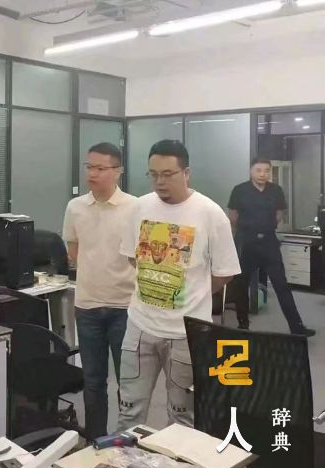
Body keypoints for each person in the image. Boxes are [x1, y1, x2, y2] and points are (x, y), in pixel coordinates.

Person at [117, 140, 241, 430]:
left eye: (168, 174)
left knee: (182, 418)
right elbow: (134, 258)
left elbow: (225, 273)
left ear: (186, 173)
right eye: (153, 174)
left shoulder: (210, 214)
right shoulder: (139, 207)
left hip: (186, 333)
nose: (160, 182)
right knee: (129, 412)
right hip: (139, 327)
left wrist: (190, 294)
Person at [62, 142, 136, 440]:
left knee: (128, 383)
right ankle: (95, 439)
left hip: (125, 307)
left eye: (100, 168)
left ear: (118, 171)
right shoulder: (75, 207)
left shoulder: (135, 208)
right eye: (89, 167)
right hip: (87, 305)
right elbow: (73, 250)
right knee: (93, 381)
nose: (92, 173)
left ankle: (126, 441)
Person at [228, 158, 315, 337]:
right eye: (259, 170)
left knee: (281, 285)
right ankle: (243, 325)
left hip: (269, 243)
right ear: (251, 171)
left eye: (267, 171)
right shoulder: (240, 190)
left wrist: (265, 227)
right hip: (246, 242)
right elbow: (233, 216)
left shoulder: (276, 190)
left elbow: (279, 215)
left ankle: (297, 326)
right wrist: (247, 231)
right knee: (241, 285)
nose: (263, 174)